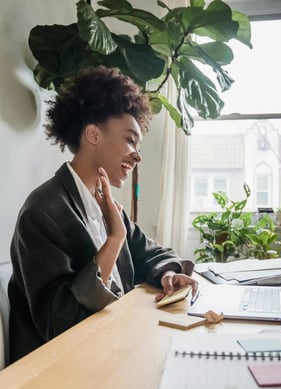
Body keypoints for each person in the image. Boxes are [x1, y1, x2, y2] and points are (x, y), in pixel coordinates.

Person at [8, 66, 197, 363]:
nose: (138, 155)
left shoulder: (105, 205)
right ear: (93, 135)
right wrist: (113, 241)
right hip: (57, 370)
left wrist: (169, 274)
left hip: (111, 346)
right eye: (130, 139)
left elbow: (155, 254)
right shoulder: (42, 212)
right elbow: (60, 322)